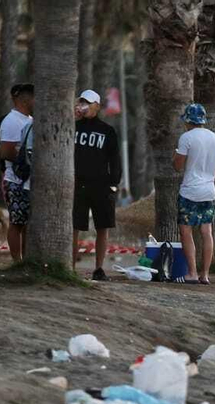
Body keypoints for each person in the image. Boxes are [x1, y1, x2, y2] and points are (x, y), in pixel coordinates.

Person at [171, 103, 215, 283]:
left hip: (190, 191)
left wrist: (174, 157)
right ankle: (205, 274)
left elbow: (177, 166)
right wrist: (210, 177)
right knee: (207, 232)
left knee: (186, 231)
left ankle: (192, 272)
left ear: (188, 120)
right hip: (208, 192)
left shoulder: (186, 138)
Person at [72, 90, 122, 280]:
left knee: (103, 227)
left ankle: (99, 269)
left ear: (97, 106)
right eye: (82, 102)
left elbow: (114, 158)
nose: (85, 106)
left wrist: (113, 184)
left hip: (101, 185)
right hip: (77, 184)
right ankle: (70, 267)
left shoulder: (107, 131)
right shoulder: (73, 127)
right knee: (74, 226)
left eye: (89, 103)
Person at [0, 84, 35, 261]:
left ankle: (26, 259)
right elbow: (5, 151)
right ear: (26, 100)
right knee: (17, 222)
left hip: (27, 180)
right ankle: (16, 260)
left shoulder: (29, 120)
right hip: (15, 179)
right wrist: (25, 157)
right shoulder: (12, 121)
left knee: (27, 224)